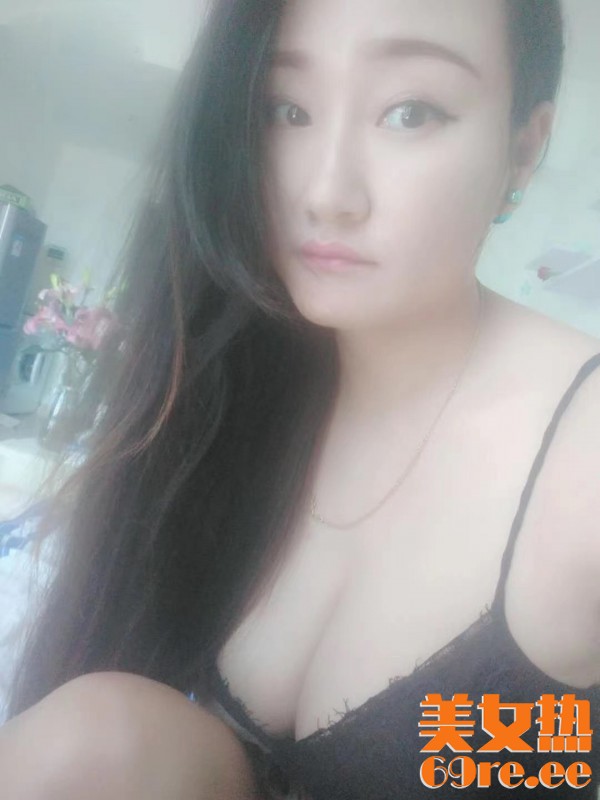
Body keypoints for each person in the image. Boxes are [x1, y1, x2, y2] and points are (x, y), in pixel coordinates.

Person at [1, 0, 599, 797]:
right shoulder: (239, 382)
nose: (326, 192)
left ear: (521, 150)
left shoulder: (583, 452)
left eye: (410, 112)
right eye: (286, 110)